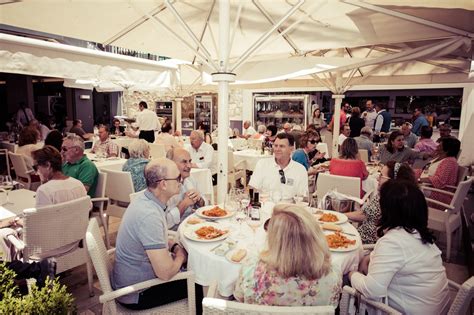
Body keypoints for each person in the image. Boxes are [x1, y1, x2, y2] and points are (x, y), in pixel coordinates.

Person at [112, 158, 202, 311]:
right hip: (137, 293)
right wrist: (181, 256)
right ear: (163, 184)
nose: (181, 181)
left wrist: (174, 247)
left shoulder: (146, 200)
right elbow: (165, 273)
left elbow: (155, 237)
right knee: (200, 284)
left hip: (130, 279)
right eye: (177, 178)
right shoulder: (149, 215)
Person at [349, 180, 449, 314]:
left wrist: (350, 274)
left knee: (345, 278)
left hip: (409, 310)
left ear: (388, 210)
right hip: (434, 307)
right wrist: (370, 256)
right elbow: (402, 259)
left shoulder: (393, 242)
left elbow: (372, 290)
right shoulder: (419, 235)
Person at [234, 204, 342, 306]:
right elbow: (333, 305)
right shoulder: (332, 276)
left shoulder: (250, 270)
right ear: (315, 235)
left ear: (274, 239)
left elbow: (240, 300)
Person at [346, 161, 416, 244]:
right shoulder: (382, 195)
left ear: (393, 181)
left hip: (365, 244)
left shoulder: (394, 205)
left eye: (381, 176)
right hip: (358, 236)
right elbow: (365, 215)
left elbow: (385, 240)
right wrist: (341, 216)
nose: (377, 178)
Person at [249, 133, 308, 201]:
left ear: (291, 149)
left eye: (282, 146)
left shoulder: (300, 170)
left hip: (288, 209)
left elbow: (303, 197)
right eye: (275, 145)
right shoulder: (262, 164)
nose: (277, 149)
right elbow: (252, 188)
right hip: (265, 207)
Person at [166, 148, 208, 230]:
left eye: (190, 161)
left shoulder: (190, 179)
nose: (189, 166)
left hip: (194, 226)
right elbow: (166, 223)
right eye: (184, 162)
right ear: (171, 164)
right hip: (175, 233)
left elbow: (205, 202)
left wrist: (199, 200)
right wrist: (184, 204)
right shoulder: (165, 186)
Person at [418, 137, 460, 205]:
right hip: (427, 187)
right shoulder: (439, 158)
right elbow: (426, 170)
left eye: (440, 146)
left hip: (439, 193)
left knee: (408, 191)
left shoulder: (450, 162)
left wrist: (419, 180)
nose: (437, 146)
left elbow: (439, 180)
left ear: (447, 150)